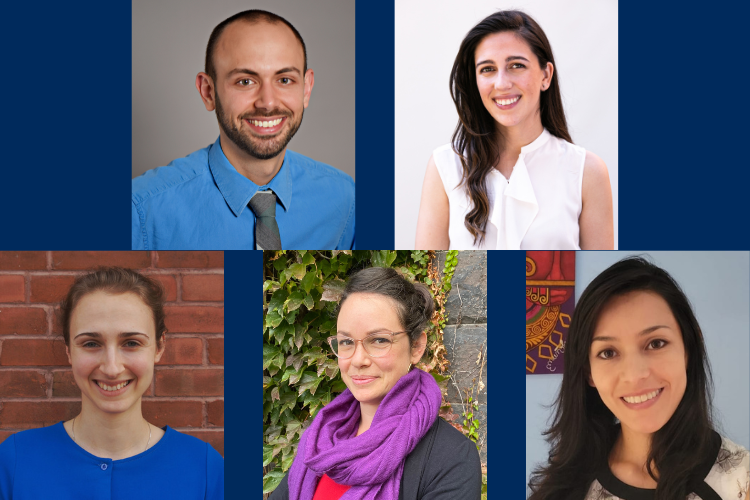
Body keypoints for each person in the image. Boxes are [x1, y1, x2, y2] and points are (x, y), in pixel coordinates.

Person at [527, 257, 750, 499]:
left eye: (656, 343)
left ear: (689, 348)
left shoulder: (741, 480)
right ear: (588, 372)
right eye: (608, 353)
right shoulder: (565, 483)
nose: (635, 375)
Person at [132, 9, 355, 250]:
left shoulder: (346, 201)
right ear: (208, 92)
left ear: (306, 88)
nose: (268, 103)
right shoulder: (141, 211)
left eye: (284, 80)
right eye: (245, 81)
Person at [0, 267, 224, 499]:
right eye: (90, 344)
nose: (112, 368)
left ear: (159, 347)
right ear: (69, 351)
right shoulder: (15, 462)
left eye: (131, 343)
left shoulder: (204, 469)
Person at [269, 267, 481, 500]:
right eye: (346, 341)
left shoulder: (452, 457)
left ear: (417, 347)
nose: (358, 360)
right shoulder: (320, 439)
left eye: (379, 340)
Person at [415, 10, 614, 250]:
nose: (501, 83)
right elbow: (427, 277)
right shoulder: (445, 166)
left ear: (546, 75)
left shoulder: (587, 172)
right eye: (487, 69)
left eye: (516, 65)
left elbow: (597, 276)